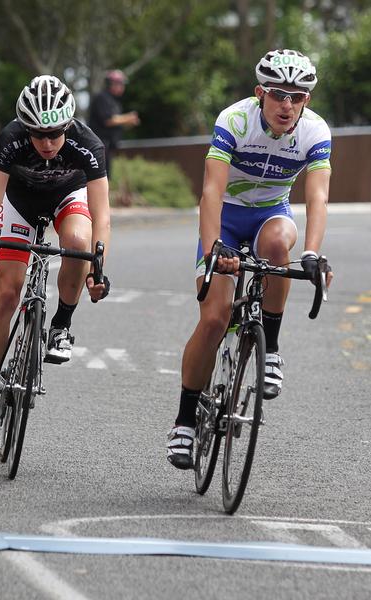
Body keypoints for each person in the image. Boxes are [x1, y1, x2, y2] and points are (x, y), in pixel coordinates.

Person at [167, 49, 333, 470]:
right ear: (261, 93)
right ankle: (185, 420)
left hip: (271, 216)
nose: (287, 105)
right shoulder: (235, 120)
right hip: (225, 218)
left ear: (306, 102)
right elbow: (209, 192)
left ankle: (271, 347)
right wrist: (212, 250)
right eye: (278, 94)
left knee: (280, 246)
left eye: (297, 97)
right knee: (214, 318)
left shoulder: (314, 132)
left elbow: (317, 196)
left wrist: (312, 252)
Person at [0, 75, 111, 439]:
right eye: (37, 134)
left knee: (78, 240)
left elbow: (102, 212)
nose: (46, 143)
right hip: (20, 204)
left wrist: (98, 267)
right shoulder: (11, 138)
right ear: (24, 127)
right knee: (7, 291)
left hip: (67, 197)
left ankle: (61, 325)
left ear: (68, 126)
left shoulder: (88, 143)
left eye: (54, 134)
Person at [88, 69, 140, 178]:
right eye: (120, 84)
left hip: (109, 146)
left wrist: (129, 122)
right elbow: (108, 120)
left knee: (108, 176)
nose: (122, 87)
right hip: (99, 146)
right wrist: (128, 118)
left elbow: (117, 123)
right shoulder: (102, 97)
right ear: (111, 84)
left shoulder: (114, 101)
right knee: (101, 177)